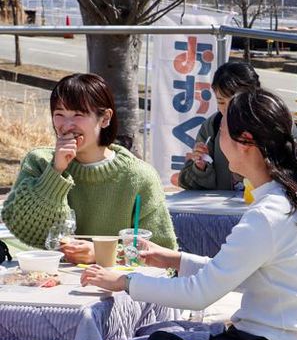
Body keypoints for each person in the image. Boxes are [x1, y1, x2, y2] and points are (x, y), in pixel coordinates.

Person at [82, 90, 297, 340]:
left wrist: (125, 282)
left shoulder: (267, 215)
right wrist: (172, 258)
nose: (217, 139)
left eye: (221, 130)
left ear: (245, 141)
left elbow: (198, 294)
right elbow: (243, 274)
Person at [2, 73, 177, 262]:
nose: (67, 125)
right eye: (59, 114)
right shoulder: (39, 161)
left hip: (114, 288)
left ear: (105, 118)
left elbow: (164, 255)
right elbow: (23, 228)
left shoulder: (139, 176)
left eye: (78, 114)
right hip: (44, 280)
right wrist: (55, 171)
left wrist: (101, 254)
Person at [176, 61, 297, 191]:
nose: (229, 109)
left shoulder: (281, 125)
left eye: (236, 100)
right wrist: (200, 167)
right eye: (221, 102)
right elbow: (188, 183)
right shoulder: (213, 127)